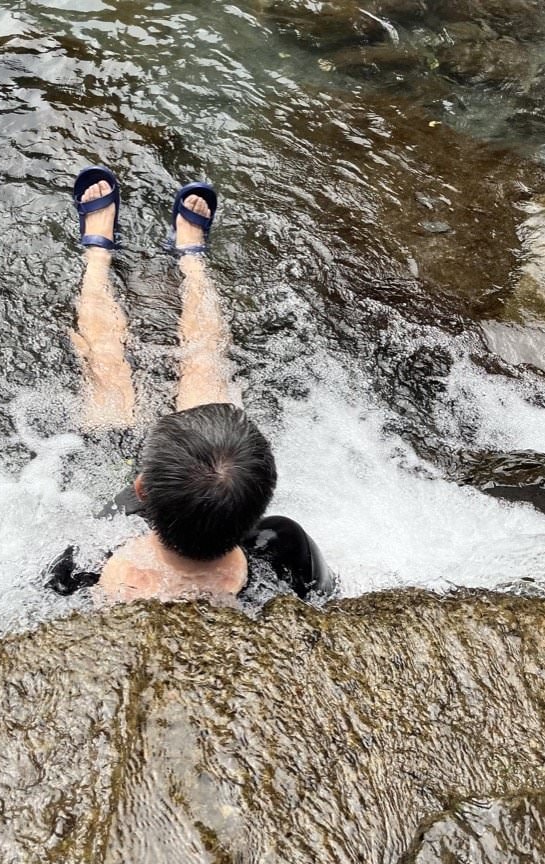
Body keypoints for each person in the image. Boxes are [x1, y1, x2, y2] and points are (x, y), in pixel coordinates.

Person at [47, 165, 334, 604]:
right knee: (204, 369)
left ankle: (98, 257)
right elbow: (326, 598)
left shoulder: (92, 557)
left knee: (106, 366)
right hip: (194, 503)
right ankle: (192, 260)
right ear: (259, 507)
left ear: (140, 489)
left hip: (110, 487)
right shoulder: (282, 545)